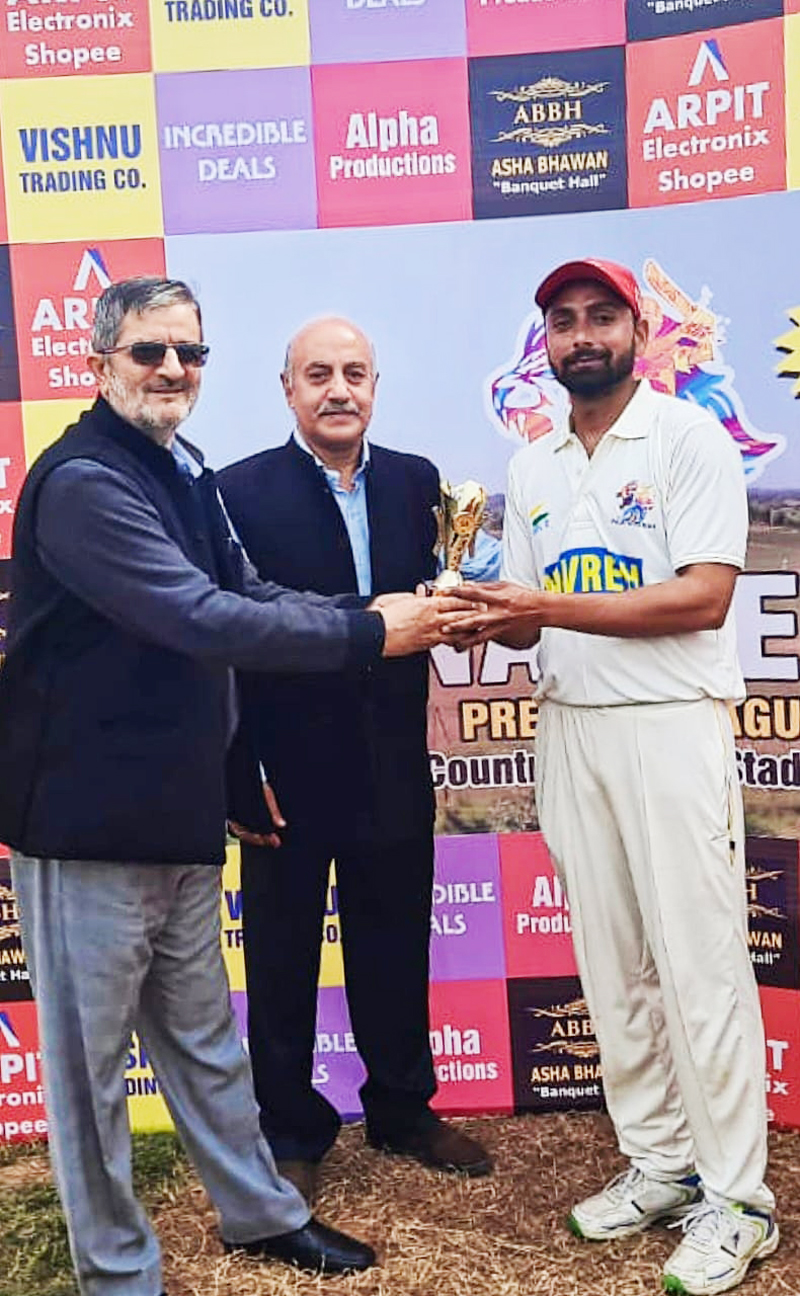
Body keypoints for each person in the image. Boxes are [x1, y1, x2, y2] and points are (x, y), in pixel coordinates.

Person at [0, 279, 474, 1296]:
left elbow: (248, 593)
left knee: (207, 1043)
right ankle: (119, 1271)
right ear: (100, 363)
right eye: (148, 352)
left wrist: (368, 608)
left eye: (189, 352)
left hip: (172, 815)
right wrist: (367, 630)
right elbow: (200, 616)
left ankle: (260, 1215)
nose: (172, 369)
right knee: (87, 1076)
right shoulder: (85, 480)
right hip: (86, 821)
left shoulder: (179, 467)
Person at [446, 260, 777, 1296]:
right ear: (541, 340)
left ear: (637, 331)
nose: (580, 334)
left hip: (670, 723)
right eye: (561, 320)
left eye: (599, 317)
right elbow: (531, 604)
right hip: (573, 727)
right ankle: (660, 1163)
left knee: (699, 967)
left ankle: (737, 1201)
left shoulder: (686, 440)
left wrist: (541, 613)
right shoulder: (534, 464)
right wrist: (473, 610)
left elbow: (700, 599)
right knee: (611, 963)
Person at [218, 316, 492, 1204]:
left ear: (375, 386)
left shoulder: (419, 485)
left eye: (356, 374)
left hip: (393, 763)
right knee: (283, 957)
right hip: (283, 777)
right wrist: (236, 772)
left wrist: (458, 611)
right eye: (319, 375)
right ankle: (291, 1128)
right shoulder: (238, 492)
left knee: (394, 941)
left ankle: (404, 1111)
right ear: (288, 389)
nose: (339, 390)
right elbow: (224, 642)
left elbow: (433, 606)